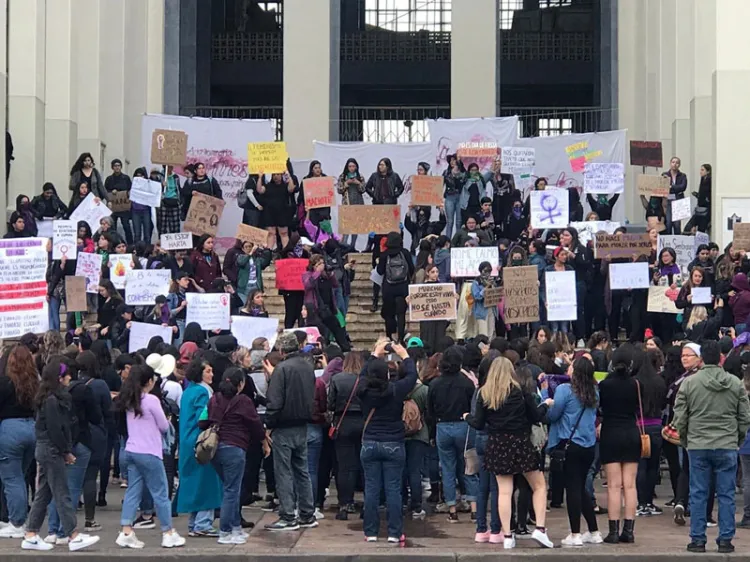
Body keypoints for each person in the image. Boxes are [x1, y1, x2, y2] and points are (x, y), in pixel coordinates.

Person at [464, 356, 554, 550]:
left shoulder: (484, 394)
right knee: (538, 485)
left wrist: (467, 417)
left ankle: (507, 536)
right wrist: (546, 403)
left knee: (504, 491)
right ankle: (540, 528)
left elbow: (478, 423)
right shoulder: (521, 392)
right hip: (520, 443)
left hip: (496, 444)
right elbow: (536, 416)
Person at [673, 340, 750, 553]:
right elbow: (744, 417)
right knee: (726, 494)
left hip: (698, 444)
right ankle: (725, 539)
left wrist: (686, 439)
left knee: (698, 492)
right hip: (726, 443)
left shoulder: (689, 383)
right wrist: (737, 439)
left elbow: (680, 417)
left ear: (702, 358)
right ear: (721, 358)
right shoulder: (735, 383)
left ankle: (698, 539)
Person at [20, 359, 100, 552]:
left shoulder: (48, 398)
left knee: (45, 493)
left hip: (47, 449)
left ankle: (31, 533)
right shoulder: (53, 400)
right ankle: (73, 534)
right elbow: (56, 429)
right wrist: (66, 451)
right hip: (52, 450)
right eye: (67, 375)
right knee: (62, 492)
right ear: (59, 378)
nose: (70, 377)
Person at [114, 365, 185, 549]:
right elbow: (162, 425)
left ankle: (126, 529)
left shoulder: (129, 399)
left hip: (132, 449)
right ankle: (168, 532)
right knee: (161, 493)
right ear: (149, 382)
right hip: (150, 451)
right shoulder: (152, 400)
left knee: (133, 491)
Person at [199, 368, 267, 544]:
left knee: (231, 488)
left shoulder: (214, 399)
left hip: (214, 449)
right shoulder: (243, 401)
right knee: (231, 490)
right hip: (235, 447)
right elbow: (255, 425)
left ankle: (236, 527)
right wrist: (263, 441)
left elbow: (202, 421)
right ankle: (226, 531)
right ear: (241, 384)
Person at [357, 341, 416, 543]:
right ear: (387, 375)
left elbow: (361, 376)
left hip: (370, 442)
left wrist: (374, 354)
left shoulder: (363, 391)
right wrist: (405, 355)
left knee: (372, 489)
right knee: (393, 489)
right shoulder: (395, 390)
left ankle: (371, 532)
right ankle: (394, 532)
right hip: (393, 442)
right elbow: (412, 377)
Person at [263, 331, 318, 531]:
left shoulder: (282, 369)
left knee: (284, 471)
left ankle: (288, 515)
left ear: (281, 349)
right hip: (303, 424)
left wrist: (269, 424)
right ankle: (307, 513)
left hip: (284, 426)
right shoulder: (307, 366)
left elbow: (275, 401)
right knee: (302, 470)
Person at [545, 357, 602, 547]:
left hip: (569, 444)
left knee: (572, 488)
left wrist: (547, 399)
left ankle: (575, 533)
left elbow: (553, 416)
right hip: (588, 445)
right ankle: (593, 531)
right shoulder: (594, 392)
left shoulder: (564, 390)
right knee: (581, 488)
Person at [427, 346, 478, 522]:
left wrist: (432, 433)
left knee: (447, 469)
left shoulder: (434, 384)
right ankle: (473, 509)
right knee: (469, 466)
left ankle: (452, 509)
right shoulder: (467, 383)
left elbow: (430, 411)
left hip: (443, 426)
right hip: (464, 426)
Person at [598, 344, 640, 544]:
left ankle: (613, 531)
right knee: (630, 486)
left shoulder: (605, 385)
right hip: (631, 433)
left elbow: (601, 409)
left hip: (611, 433)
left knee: (614, 486)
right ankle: (629, 530)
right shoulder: (635, 384)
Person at [176, 358, 222, 537]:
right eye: (208, 371)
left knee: (194, 481)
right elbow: (203, 417)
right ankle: (203, 523)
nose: (212, 374)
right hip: (201, 440)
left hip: (188, 440)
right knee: (206, 482)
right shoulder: (204, 392)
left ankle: (194, 523)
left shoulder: (188, 390)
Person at [0, 346, 39, 539]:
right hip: (31, 428)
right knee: (20, 477)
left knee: (12, 479)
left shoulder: (5, 383)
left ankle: (17, 523)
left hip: (10, 429)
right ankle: (19, 519)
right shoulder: (35, 383)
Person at [327, 351, 366, 520]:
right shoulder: (366, 380)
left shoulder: (337, 379)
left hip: (343, 423)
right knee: (365, 465)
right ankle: (367, 502)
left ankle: (345, 502)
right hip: (365, 422)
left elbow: (331, 403)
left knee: (344, 466)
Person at [633, 349, 667, 517]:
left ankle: (640, 503)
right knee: (654, 466)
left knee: (640, 466)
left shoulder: (636, 382)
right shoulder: (660, 382)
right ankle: (649, 501)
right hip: (656, 426)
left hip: (639, 426)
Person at [302, 255, 351, 351]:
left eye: (322, 263)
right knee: (321, 332)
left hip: (328, 307)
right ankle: (322, 351)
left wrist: (330, 274)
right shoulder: (307, 274)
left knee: (337, 328)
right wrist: (317, 272)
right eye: (319, 264)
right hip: (315, 309)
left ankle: (346, 349)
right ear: (313, 265)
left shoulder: (325, 275)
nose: (322, 265)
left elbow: (335, 284)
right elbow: (308, 285)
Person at [377, 232, 415, 344]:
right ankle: (401, 337)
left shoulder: (385, 254)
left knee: (389, 313)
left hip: (388, 288)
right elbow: (412, 269)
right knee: (401, 313)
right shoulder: (405, 253)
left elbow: (379, 271)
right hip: (403, 287)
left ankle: (390, 335)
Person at [258, 171, 295, 250]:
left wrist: (288, 175)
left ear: (281, 175)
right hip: (269, 213)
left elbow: (291, 189)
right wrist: (260, 177)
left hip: (282, 213)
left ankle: (286, 253)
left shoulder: (285, 186)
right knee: (271, 234)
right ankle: (269, 253)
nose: (276, 176)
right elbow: (259, 190)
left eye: (278, 174)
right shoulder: (268, 186)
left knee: (284, 233)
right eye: (274, 174)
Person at [337, 158, 366, 248]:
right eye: (350, 166)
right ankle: (344, 245)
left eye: (353, 166)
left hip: (358, 202)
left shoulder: (360, 177)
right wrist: (346, 183)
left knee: (355, 226)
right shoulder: (342, 176)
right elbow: (339, 190)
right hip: (347, 203)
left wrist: (358, 183)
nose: (352, 168)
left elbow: (363, 189)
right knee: (346, 226)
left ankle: (352, 246)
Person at [104, 159, 133, 244]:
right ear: (112, 167)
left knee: (126, 226)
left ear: (121, 167)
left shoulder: (126, 178)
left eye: (118, 166)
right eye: (115, 166)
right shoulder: (109, 179)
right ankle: (113, 243)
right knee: (112, 227)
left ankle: (130, 244)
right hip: (113, 206)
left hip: (123, 206)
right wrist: (111, 191)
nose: (117, 167)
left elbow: (130, 189)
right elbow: (105, 191)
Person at [662, 157, 688, 234]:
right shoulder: (665, 175)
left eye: (677, 163)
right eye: (673, 162)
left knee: (677, 224)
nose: (675, 164)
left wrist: (671, 187)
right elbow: (663, 186)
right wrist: (675, 188)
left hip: (678, 200)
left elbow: (683, 187)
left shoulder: (683, 176)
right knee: (668, 223)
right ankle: (668, 242)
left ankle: (678, 240)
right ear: (670, 163)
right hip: (668, 200)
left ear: (679, 165)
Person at [158, 165, 182, 236]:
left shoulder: (176, 177)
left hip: (174, 201)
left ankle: (174, 243)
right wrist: (161, 185)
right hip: (163, 201)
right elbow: (155, 188)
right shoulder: (160, 177)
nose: (170, 168)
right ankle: (163, 242)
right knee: (163, 225)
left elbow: (178, 189)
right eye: (168, 167)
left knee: (175, 225)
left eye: (171, 167)